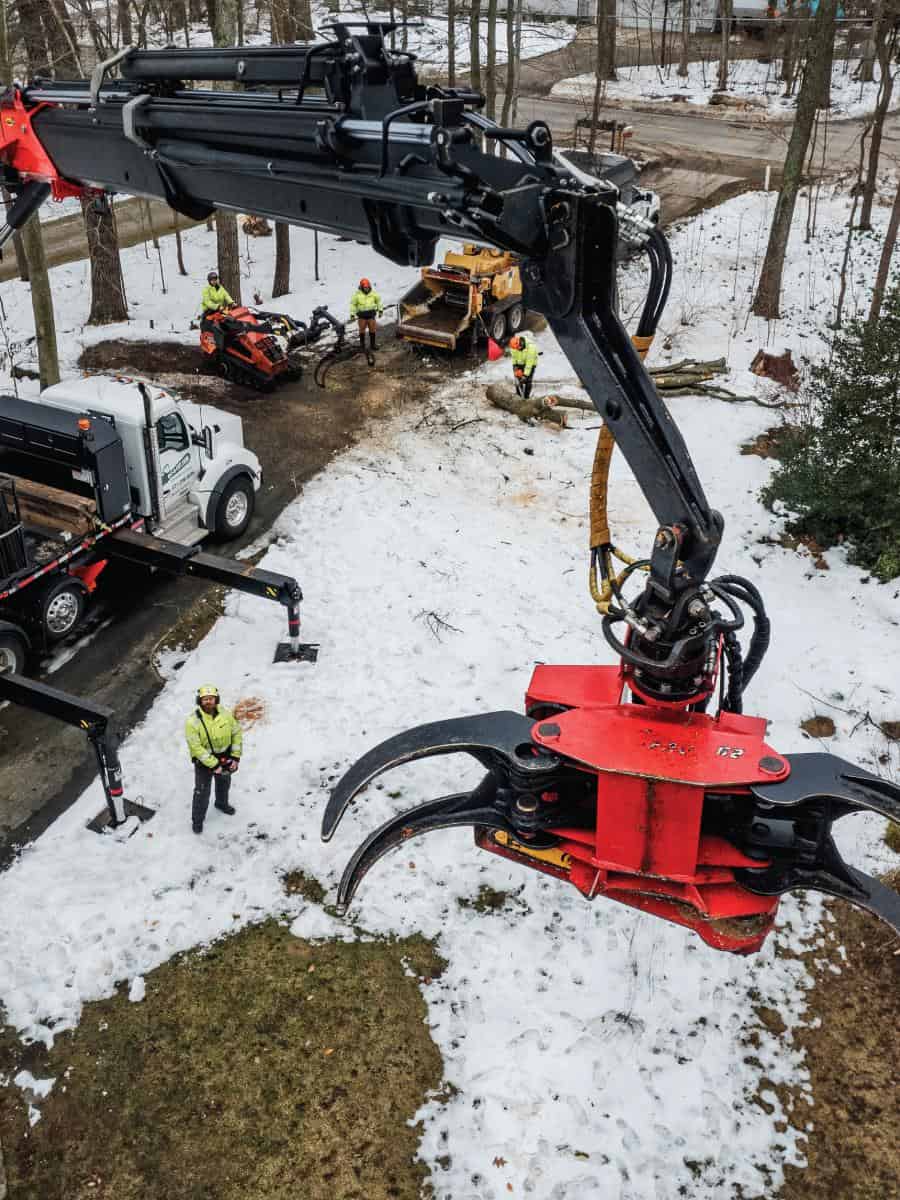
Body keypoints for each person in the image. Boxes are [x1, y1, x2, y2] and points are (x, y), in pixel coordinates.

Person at [185, 684, 243, 833]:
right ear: (199, 701)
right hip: (204, 763)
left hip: (225, 758)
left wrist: (235, 757)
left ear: (216, 700)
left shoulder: (225, 714)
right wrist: (213, 764)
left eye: (211, 699)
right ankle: (197, 821)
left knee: (224, 784)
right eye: (205, 699)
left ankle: (221, 804)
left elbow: (236, 733)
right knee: (201, 792)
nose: (208, 702)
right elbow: (196, 748)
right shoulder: (192, 722)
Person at [349, 277, 383, 352]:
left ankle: (373, 345)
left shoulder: (373, 294)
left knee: (372, 330)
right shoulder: (357, 295)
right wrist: (352, 314)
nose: (366, 289)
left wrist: (380, 310)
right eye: (365, 287)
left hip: (371, 315)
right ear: (361, 287)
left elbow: (379, 302)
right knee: (362, 331)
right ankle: (362, 345)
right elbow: (353, 305)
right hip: (362, 316)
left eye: (368, 287)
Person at [508, 333, 539, 399]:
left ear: (521, 344)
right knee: (518, 380)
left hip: (531, 364)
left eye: (518, 348)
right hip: (519, 363)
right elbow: (514, 357)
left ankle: (526, 397)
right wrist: (515, 365)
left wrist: (525, 375)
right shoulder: (514, 347)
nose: (517, 350)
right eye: (515, 349)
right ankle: (519, 396)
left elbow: (529, 363)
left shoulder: (531, 348)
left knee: (528, 381)